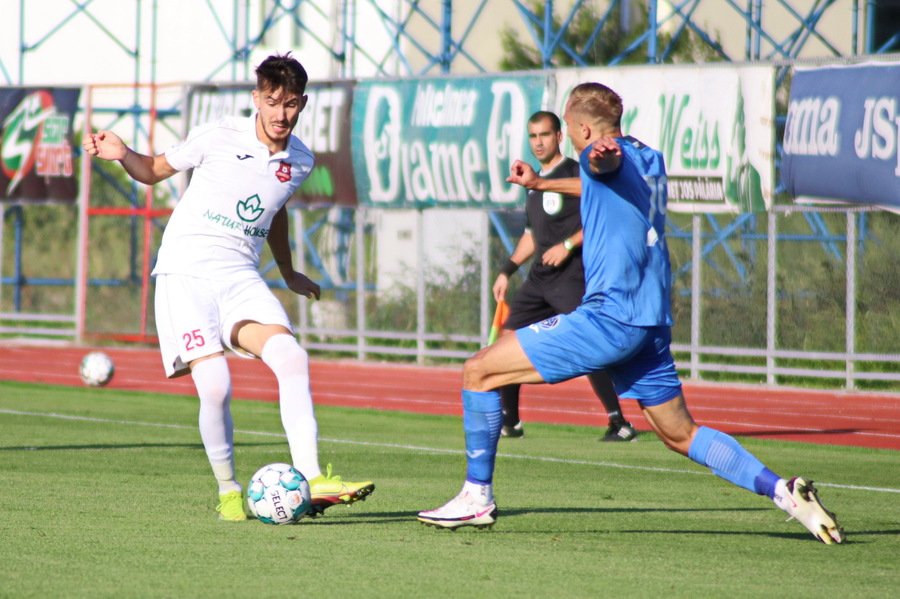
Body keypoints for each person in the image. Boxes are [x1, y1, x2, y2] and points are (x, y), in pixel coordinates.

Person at [417, 82, 844, 545]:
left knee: (479, 370)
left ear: (581, 128)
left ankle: (476, 496)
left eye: (571, 130)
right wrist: (540, 183)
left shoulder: (602, 156)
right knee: (680, 433)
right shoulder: (649, 156)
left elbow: (602, 166)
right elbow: (601, 180)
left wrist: (599, 157)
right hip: (649, 321)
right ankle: (785, 493)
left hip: (611, 317)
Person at [83, 52, 375, 521]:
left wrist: (287, 270)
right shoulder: (220, 134)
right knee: (215, 385)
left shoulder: (300, 160)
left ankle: (313, 477)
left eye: (292, 104)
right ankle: (228, 491)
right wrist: (123, 156)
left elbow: (274, 209)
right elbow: (154, 170)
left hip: (240, 276)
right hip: (185, 274)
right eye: (274, 102)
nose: (282, 114)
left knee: (291, 356)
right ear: (257, 99)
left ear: (303, 104)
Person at [493, 110, 636, 442]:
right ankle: (510, 423)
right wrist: (507, 270)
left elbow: (604, 214)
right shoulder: (531, 183)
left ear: (559, 136)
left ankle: (619, 423)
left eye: (544, 134)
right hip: (538, 281)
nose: (538, 142)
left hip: (571, 277)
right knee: (505, 344)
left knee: (589, 347)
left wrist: (568, 244)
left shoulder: (576, 173)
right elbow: (531, 234)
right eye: (533, 136)